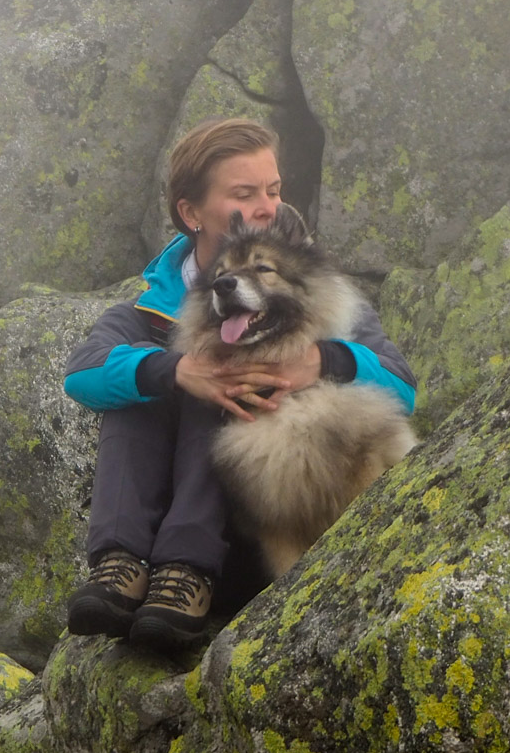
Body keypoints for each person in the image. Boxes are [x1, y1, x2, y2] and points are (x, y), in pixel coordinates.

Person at [61, 118, 417, 649]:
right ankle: (120, 565)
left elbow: (401, 387)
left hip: (259, 534)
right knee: (144, 377)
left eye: (273, 191)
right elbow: (81, 371)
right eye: (244, 194)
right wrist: (177, 371)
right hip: (178, 534)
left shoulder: (306, 284)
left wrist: (324, 359)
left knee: (226, 375)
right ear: (191, 212)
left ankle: (191, 576)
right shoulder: (153, 303)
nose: (266, 207)